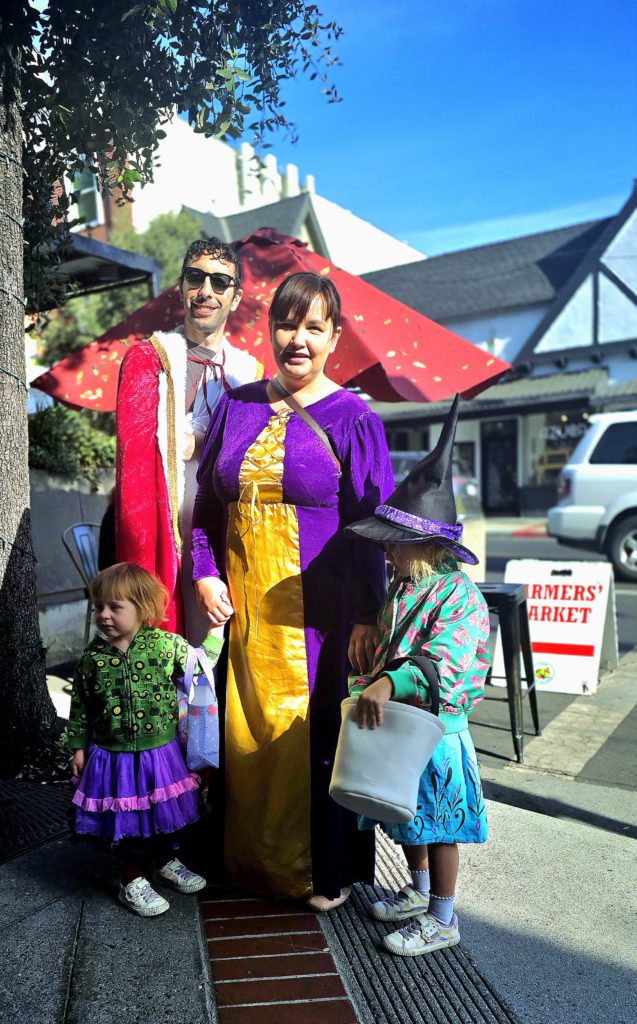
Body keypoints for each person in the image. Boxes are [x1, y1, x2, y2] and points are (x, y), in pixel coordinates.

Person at [192, 271, 394, 909]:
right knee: (238, 734)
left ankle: (317, 871)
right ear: (269, 329)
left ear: (335, 337)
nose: (298, 340)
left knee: (313, 739)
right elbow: (204, 507)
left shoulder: (354, 419)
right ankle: (240, 858)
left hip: (320, 624)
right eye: (287, 324)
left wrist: (367, 614)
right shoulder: (239, 404)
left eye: (314, 327)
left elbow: (374, 527)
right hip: (241, 619)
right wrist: (203, 571)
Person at [345, 394, 490, 956]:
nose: (386, 555)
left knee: (439, 825)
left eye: (394, 545)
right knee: (405, 815)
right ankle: (419, 890)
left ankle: (443, 916)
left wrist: (389, 682)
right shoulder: (403, 589)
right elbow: (389, 646)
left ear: (427, 544)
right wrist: (367, 675)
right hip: (401, 724)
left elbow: (440, 664)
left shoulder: (459, 597)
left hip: (437, 733)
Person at [116, 237, 263, 642]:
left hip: (225, 542)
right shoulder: (148, 360)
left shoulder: (250, 375)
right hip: (165, 539)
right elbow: (135, 475)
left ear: (235, 298)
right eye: (196, 278)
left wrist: (200, 443)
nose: (206, 292)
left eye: (220, 283)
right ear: (181, 287)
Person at [67, 561, 225, 917]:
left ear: (143, 609)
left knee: (163, 814)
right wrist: (78, 747)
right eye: (98, 607)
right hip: (113, 758)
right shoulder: (92, 659)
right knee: (127, 823)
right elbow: (80, 706)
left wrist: (216, 630)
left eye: (114, 607)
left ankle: (167, 861)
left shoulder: (165, 646)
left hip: (161, 754)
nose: (104, 615)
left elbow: (200, 666)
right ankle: (131, 879)